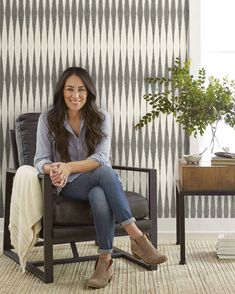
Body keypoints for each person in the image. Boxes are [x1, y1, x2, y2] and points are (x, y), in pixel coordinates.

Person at [34, 67, 167, 289]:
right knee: (105, 172)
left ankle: (104, 261)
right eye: (69, 89)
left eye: (81, 90)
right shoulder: (47, 119)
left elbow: (101, 158)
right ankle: (137, 237)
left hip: (100, 182)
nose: (75, 95)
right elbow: (40, 160)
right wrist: (54, 169)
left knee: (99, 194)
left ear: (89, 93)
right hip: (68, 186)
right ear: (61, 92)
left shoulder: (102, 117)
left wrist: (68, 166)